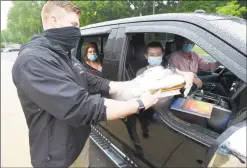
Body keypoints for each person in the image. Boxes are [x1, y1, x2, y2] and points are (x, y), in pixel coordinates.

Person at [11, 1, 161, 168]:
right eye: (73, 24)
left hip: (78, 143)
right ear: (53, 20)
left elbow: (94, 82)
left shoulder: (64, 56)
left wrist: (136, 85)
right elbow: (82, 106)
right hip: (57, 158)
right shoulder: (34, 61)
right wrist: (139, 103)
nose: (77, 31)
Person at [125, 41, 194, 143]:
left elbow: (180, 74)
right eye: (152, 55)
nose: (155, 57)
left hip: (170, 102)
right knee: (146, 122)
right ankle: (144, 130)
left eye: (158, 55)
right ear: (146, 56)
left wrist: (188, 75)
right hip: (154, 107)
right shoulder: (141, 72)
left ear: (162, 54)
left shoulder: (168, 68)